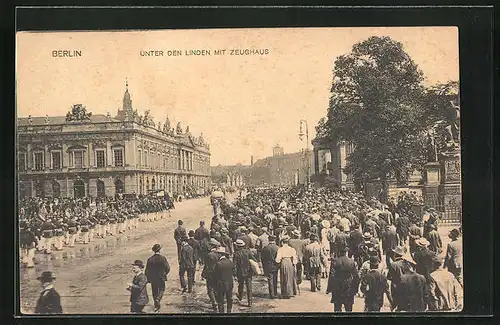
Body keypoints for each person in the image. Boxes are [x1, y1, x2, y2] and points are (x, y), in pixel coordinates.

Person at [326, 246, 359, 312]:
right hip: (348, 286)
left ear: (338, 252)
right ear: (346, 252)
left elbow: (331, 276)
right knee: (349, 307)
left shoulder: (335, 261)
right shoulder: (351, 262)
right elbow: (356, 277)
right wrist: (355, 289)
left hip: (337, 286)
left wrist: (329, 289)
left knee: (337, 307)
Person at [145, 243, 170, 313]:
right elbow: (168, 268)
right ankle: (158, 299)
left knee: (154, 291)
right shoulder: (163, 258)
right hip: (161, 277)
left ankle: (156, 305)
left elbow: (147, 270)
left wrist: (148, 278)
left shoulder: (150, 259)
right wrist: (164, 274)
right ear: (159, 250)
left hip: (153, 278)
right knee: (162, 289)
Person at [387, 246, 411, 311]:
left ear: (395, 254)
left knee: (395, 303)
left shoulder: (393, 264)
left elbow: (389, 277)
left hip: (396, 285)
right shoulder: (406, 263)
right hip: (406, 285)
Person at [202, 238, 223, 311]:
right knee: (217, 288)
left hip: (210, 274)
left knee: (210, 289)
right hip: (218, 274)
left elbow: (206, 266)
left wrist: (203, 274)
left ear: (211, 246)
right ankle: (217, 301)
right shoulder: (220, 254)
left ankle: (214, 302)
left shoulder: (209, 255)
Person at [233, 239, 255, 307]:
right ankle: (250, 302)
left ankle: (240, 297)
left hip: (240, 273)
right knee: (249, 287)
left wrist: (234, 274)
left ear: (237, 246)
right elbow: (253, 260)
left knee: (241, 285)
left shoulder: (236, 254)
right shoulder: (248, 252)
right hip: (248, 272)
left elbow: (235, 265)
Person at [213, 247, 234, 313]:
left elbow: (215, 275)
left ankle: (221, 313)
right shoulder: (230, 262)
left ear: (220, 255)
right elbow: (233, 272)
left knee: (220, 300)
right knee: (229, 298)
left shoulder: (218, 263)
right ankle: (229, 311)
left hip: (221, 284)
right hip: (230, 283)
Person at [261, 234, 279, 299]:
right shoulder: (277, 248)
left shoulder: (265, 248)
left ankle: (271, 294)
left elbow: (262, 258)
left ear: (269, 239)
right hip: (275, 266)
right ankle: (275, 292)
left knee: (270, 280)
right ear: (274, 240)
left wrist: (264, 266)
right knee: (275, 279)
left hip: (268, 266)